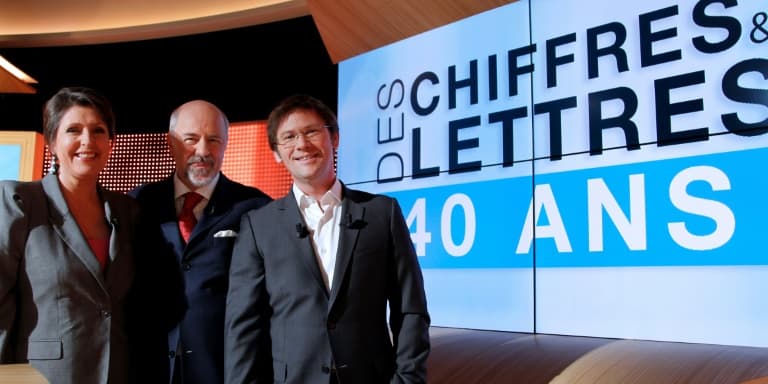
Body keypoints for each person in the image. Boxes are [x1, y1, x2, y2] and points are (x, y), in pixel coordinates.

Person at [224, 94, 431, 384]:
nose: (302, 145)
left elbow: (411, 309)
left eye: (311, 132)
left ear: (334, 138)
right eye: (289, 137)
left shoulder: (382, 213)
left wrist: (407, 378)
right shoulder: (258, 225)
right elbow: (243, 327)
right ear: (276, 152)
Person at [0, 87, 140, 383]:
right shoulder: (21, 202)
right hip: (43, 377)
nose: (87, 141)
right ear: (52, 141)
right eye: (73, 130)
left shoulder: (128, 211)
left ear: (111, 142)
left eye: (98, 130)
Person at [129, 99, 271, 384]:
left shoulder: (256, 207)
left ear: (226, 145)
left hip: (224, 371)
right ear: (171, 143)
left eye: (214, 140)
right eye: (191, 139)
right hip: (148, 368)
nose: (203, 151)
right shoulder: (138, 204)